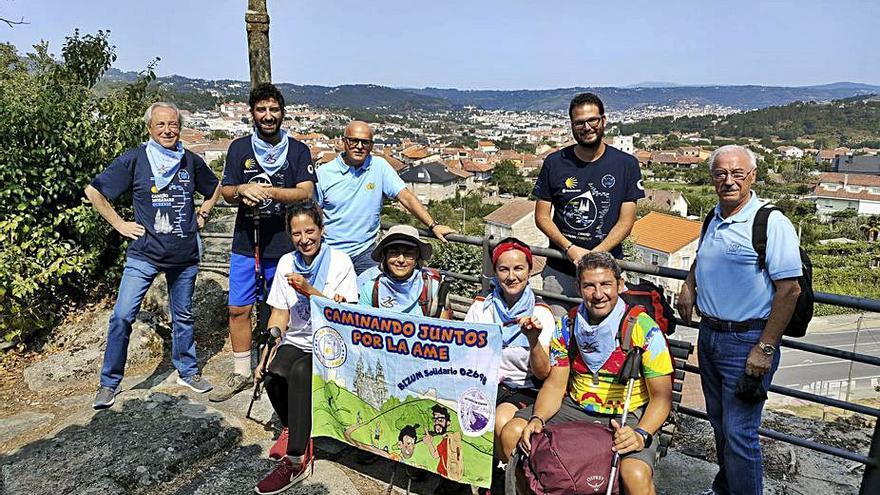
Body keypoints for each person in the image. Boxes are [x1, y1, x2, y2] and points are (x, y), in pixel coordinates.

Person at [677, 145, 802, 495]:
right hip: (711, 335)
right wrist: (689, 284)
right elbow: (704, 257)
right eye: (720, 174)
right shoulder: (713, 216)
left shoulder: (770, 222)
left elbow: (789, 290)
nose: (728, 181)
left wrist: (765, 347)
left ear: (753, 177)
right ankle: (725, 488)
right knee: (719, 426)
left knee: (740, 433)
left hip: (747, 341)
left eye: (737, 174)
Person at [501, 252, 673, 495]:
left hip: (626, 414)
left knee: (634, 474)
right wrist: (538, 418)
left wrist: (641, 434)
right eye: (589, 286)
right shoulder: (568, 326)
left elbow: (661, 397)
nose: (599, 294)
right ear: (578, 288)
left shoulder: (643, 329)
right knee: (513, 434)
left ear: (620, 285)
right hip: (575, 407)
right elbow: (555, 386)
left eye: (606, 284)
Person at [86, 102, 221, 409]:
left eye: (173, 124)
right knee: (122, 316)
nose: (167, 130)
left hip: (184, 254)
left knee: (183, 317)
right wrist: (119, 224)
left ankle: (187, 371)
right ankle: (109, 382)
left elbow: (214, 188)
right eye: (160, 125)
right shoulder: (136, 159)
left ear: (180, 127)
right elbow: (94, 191)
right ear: (149, 128)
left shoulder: (190, 160)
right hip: (144, 254)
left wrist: (204, 212)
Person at [210, 83, 317, 403]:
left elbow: (305, 192)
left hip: (285, 246)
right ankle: (242, 372)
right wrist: (242, 190)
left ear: (282, 113)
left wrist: (268, 193)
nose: (268, 116)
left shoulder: (297, 150)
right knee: (238, 308)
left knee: (283, 309)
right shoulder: (239, 148)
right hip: (246, 241)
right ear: (252, 113)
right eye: (262, 110)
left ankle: (274, 369)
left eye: (274, 110)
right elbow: (227, 191)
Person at [254, 201, 358, 494]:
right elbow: (279, 313)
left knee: (300, 371)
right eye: (297, 233)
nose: (304, 239)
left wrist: (310, 291)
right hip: (298, 338)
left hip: (332, 343)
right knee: (273, 374)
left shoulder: (340, 263)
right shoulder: (287, 262)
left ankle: (297, 459)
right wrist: (267, 349)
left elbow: (346, 318)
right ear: (290, 235)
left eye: (310, 231)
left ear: (322, 230)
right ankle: (295, 426)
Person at [533, 92, 644, 315]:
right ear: (572, 126)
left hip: (606, 276)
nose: (587, 127)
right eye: (579, 122)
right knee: (560, 339)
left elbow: (627, 221)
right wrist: (570, 249)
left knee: (605, 341)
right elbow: (542, 216)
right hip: (561, 271)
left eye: (592, 120)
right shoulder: (554, 163)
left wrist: (593, 256)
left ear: (603, 120)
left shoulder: (626, 165)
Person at [463, 237, 554, 492]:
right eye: (504, 269)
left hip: (524, 387)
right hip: (487, 383)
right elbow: (466, 354)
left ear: (529, 270)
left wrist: (533, 341)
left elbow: (543, 372)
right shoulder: (481, 309)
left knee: (501, 419)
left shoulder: (541, 314)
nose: (512, 276)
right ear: (495, 271)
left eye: (518, 269)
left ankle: (505, 482)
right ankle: (492, 478)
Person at [316, 120, 455, 284]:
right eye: (354, 140)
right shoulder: (324, 173)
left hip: (365, 252)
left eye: (365, 142)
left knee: (370, 300)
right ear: (344, 141)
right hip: (332, 252)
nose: (359, 146)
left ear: (372, 145)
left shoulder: (379, 167)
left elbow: (405, 197)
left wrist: (433, 225)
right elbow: (313, 210)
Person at [358, 224, 442, 316]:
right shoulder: (371, 288)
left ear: (417, 257)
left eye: (409, 254)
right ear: (385, 256)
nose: (401, 260)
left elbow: (445, 326)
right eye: (394, 253)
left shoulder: (433, 287)